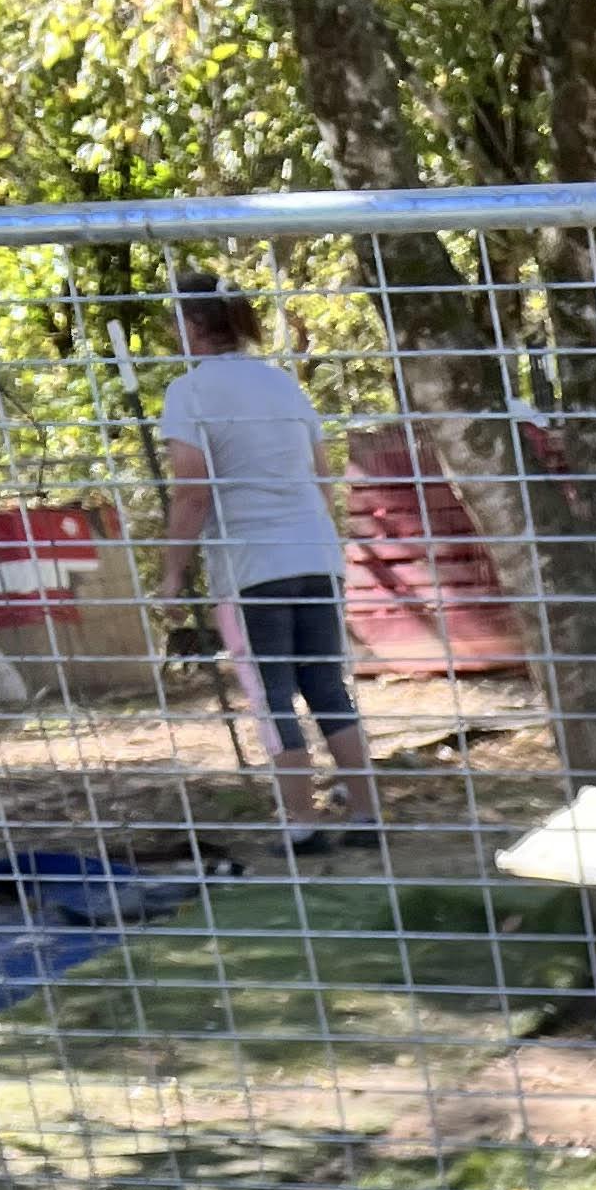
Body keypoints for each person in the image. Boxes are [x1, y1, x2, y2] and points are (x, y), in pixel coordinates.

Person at [154, 271, 384, 853]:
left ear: (194, 324)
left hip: (252, 564)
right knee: (327, 687)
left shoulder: (191, 392)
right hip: (314, 552)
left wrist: (173, 575)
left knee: (271, 694)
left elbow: (191, 489)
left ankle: (300, 824)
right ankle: (366, 816)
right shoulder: (282, 384)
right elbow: (321, 470)